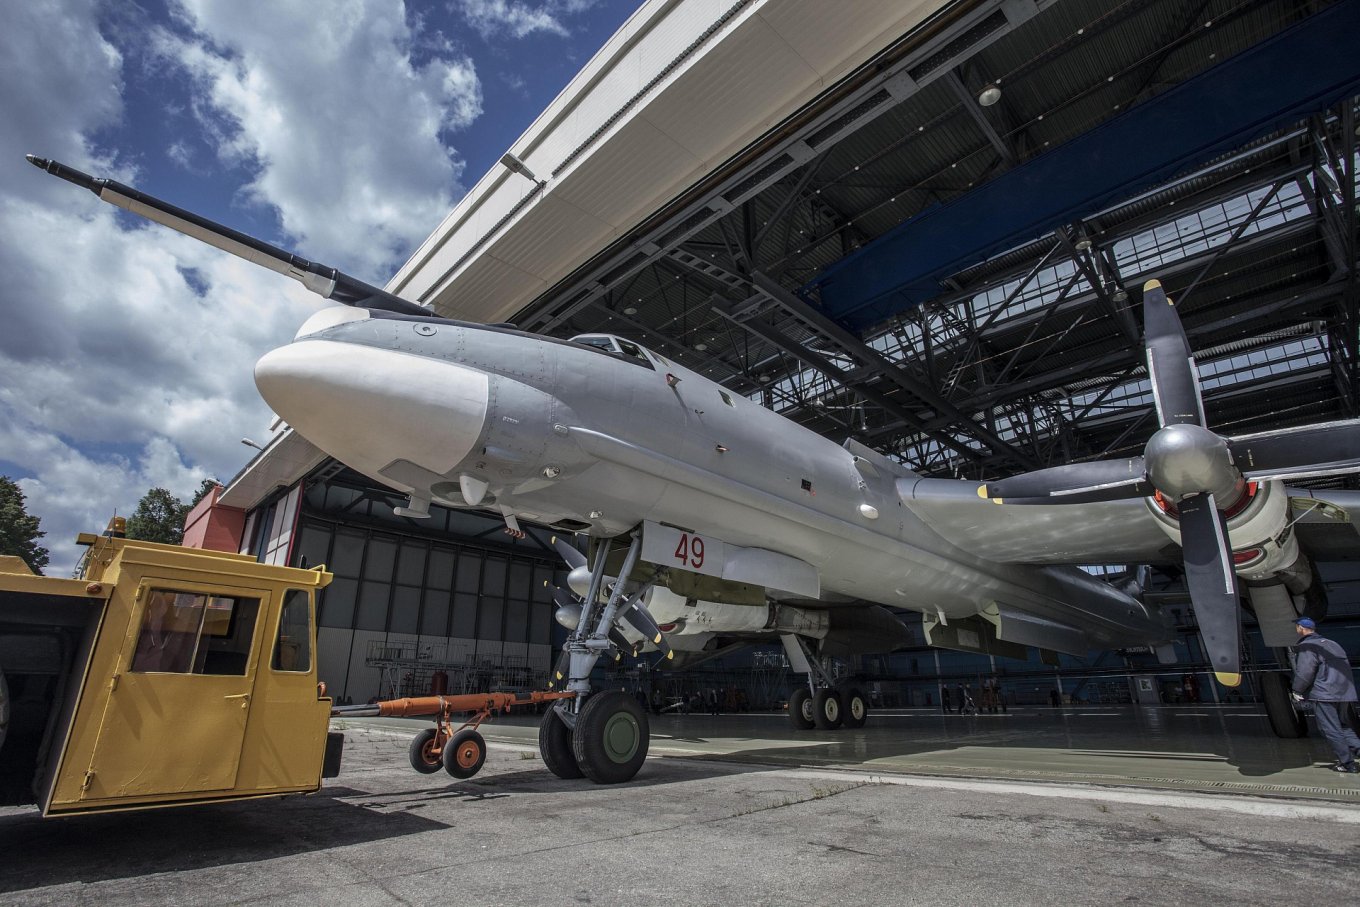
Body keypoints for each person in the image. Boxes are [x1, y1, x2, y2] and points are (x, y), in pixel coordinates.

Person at [1290, 617, 1360, 773]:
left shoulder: (1307, 645)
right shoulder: (1333, 644)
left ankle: (1347, 763)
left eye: (1296, 627)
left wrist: (1297, 690)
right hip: (1344, 693)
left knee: (1330, 729)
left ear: (1301, 628)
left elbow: (1305, 671)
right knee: (1344, 727)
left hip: (1324, 693)